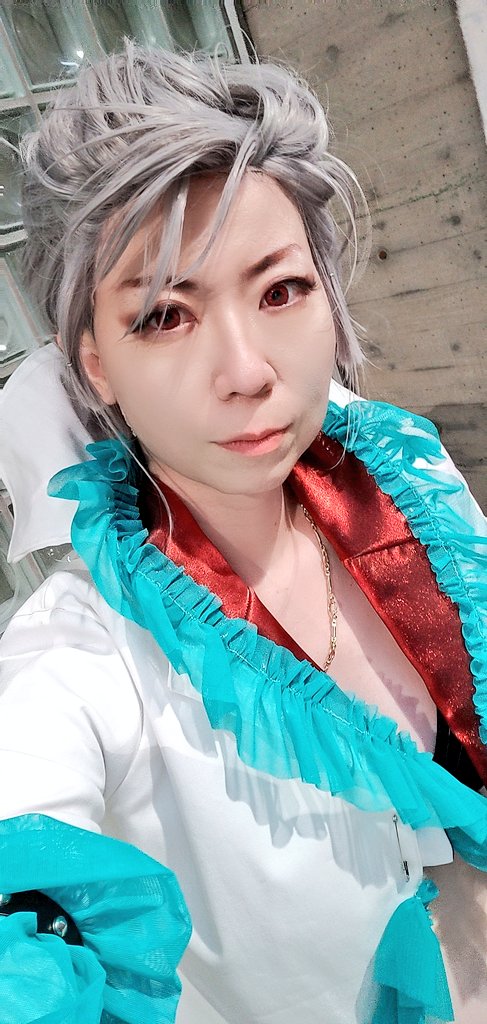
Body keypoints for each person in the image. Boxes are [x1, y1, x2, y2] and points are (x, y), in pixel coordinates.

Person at [0, 39, 485, 1024]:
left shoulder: (409, 481)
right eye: (165, 316)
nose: (247, 371)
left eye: (279, 291)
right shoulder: (80, 659)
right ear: (94, 363)